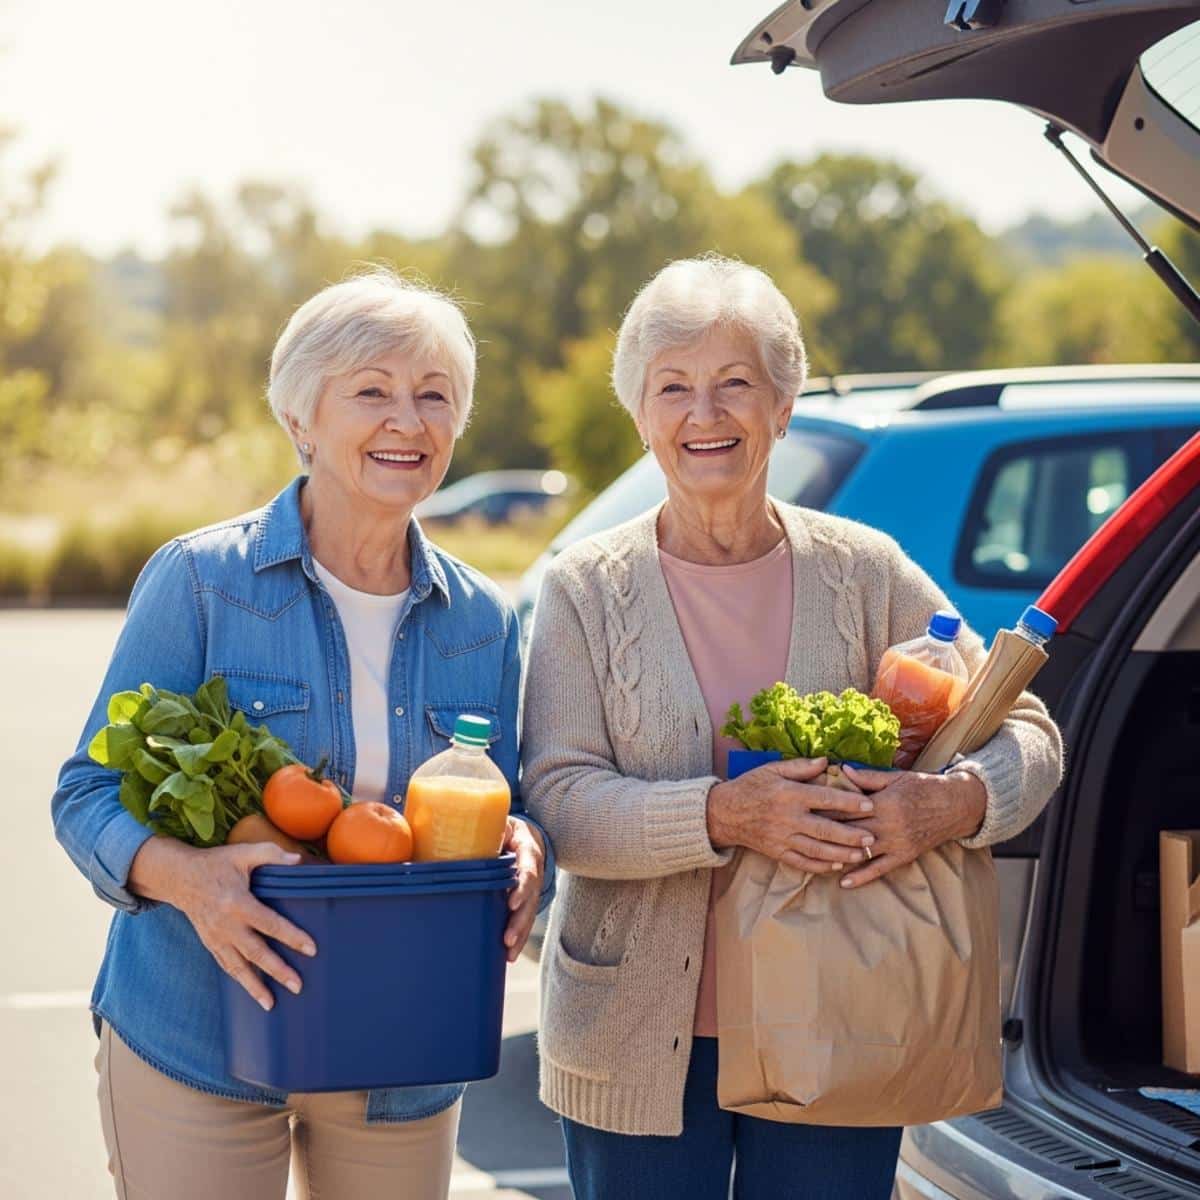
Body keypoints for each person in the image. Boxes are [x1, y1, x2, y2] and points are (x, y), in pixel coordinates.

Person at [520, 254, 1062, 1199]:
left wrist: (950, 804)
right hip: (634, 1032)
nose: (705, 415)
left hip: (840, 1020)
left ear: (783, 402)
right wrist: (725, 816)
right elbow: (560, 803)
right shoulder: (584, 586)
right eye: (674, 389)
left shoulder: (863, 569)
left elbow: (1028, 728)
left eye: (736, 385)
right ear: (640, 414)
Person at [52, 267, 552, 1200]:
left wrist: (529, 850)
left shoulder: (485, 618)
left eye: (434, 396)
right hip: (198, 1034)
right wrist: (190, 882)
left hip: (402, 1051)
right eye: (371, 392)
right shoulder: (203, 580)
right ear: (302, 422)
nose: (408, 421)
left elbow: (510, 807)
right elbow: (85, 794)